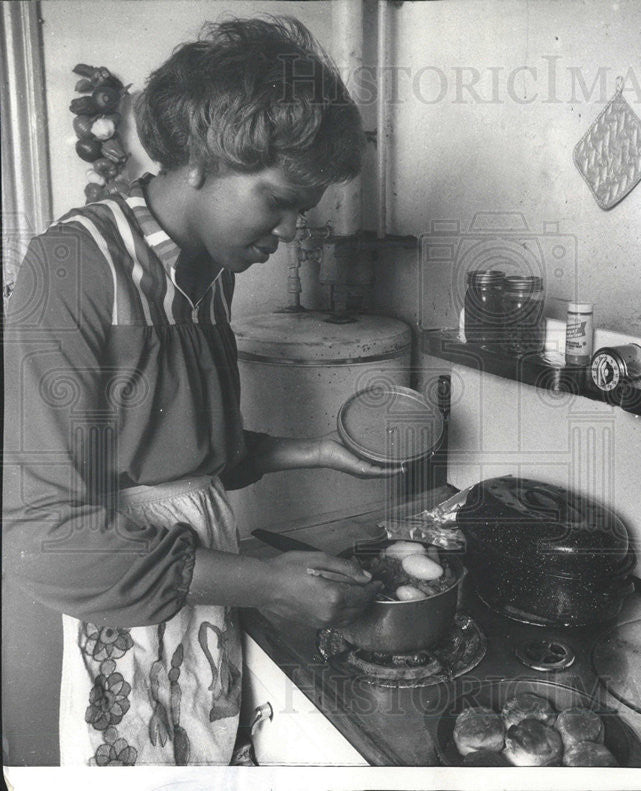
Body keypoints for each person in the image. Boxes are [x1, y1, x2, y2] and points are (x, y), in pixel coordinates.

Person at [2, 16, 395, 766]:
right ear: (204, 162)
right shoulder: (73, 269)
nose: (285, 231)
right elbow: (42, 536)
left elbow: (176, 454)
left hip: (193, 590)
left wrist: (317, 450)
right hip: (92, 612)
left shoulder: (204, 272)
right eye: (278, 200)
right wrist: (266, 581)